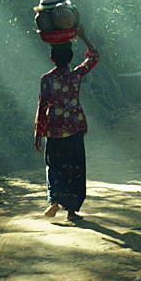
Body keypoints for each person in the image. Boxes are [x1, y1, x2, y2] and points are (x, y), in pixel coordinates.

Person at [34, 25, 98, 222]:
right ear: (70, 59)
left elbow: (42, 105)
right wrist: (83, 36)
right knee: (75, 167)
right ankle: (71, 212)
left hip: (54, 129)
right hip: (75, 126)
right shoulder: (76, 75)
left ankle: (54, 200)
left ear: (52, 59)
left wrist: (38, 133)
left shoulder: (47, 79)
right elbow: (94, 57)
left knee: (54, 165)